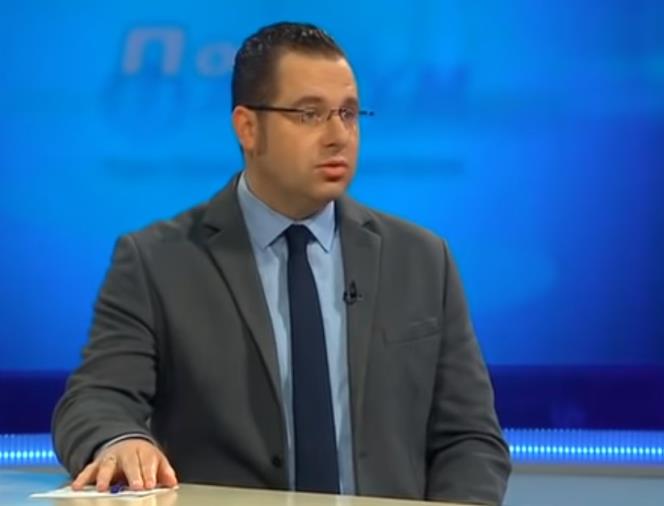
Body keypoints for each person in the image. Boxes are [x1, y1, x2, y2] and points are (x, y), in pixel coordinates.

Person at [52, 21, 511, 505]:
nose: (338, 136)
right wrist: (121, 440)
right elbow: (95, 399)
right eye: (310, 114)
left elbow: (470, 438)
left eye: (348, 113)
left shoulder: (422, 260)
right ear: (248, 128)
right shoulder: (156, 262)